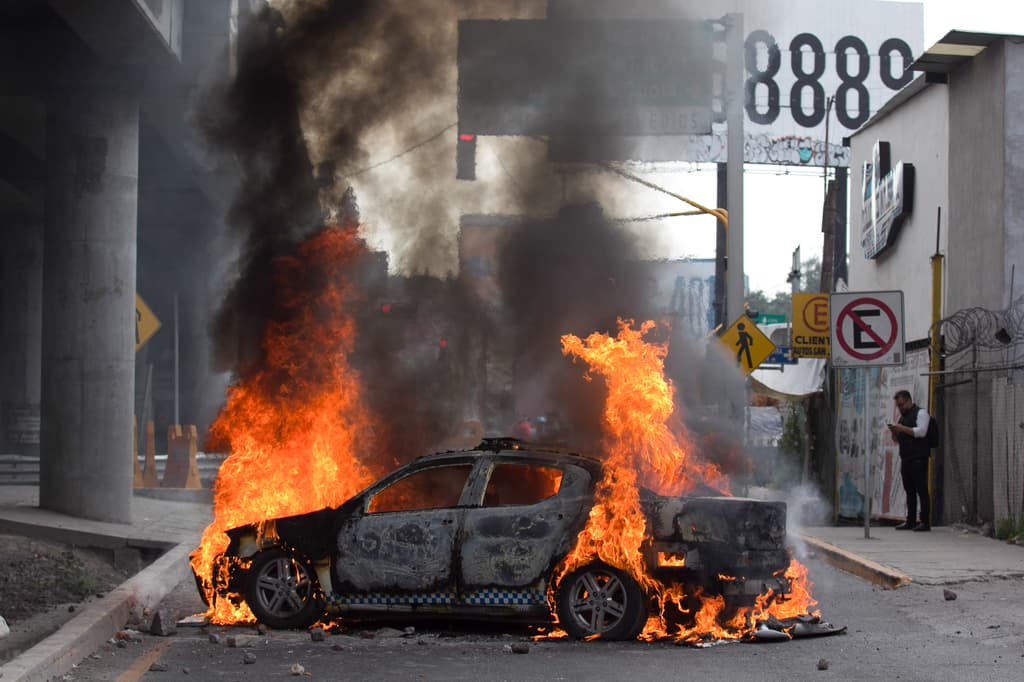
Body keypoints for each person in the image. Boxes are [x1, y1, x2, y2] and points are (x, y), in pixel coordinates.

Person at [888, 390, 931, 531]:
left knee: (922, 491)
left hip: (918, 458)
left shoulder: (921, 413)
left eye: (901, 405)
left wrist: (902, 428)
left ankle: (925, 522)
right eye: (898, 406)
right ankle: (910, 520)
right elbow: (898, 440)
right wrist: (895, 432)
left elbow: (922, 432)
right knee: (909, 491)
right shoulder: (903, 418)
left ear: (908, 400)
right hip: (906, 458)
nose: (900, 408)